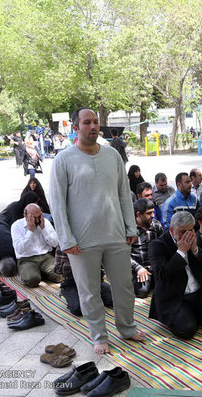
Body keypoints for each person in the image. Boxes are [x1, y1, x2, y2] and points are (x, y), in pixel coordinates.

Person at [49, 107, 144, 355]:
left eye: (96, 122)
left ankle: (127, 328)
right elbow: (57, 203)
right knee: (89, 291)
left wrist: (130, 226)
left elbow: (124, 194)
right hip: (81, 240)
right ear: (75, 127)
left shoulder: (112, 156)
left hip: (116, 235)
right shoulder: (63, 159)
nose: (93, 127)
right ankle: (99, 336)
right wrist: (66, 239)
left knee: (124, 286)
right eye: (87, 122)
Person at [148, 211, 202, 339]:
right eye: (182, 231)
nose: (187, 235)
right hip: (174, 297)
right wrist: (181, 252)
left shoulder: (194, 237)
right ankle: (182, 316)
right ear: (172, 230)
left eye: (190, 230)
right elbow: (162, 276)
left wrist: (195, 250)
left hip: (197, 292)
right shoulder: (158, 245)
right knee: (187, 330)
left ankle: (192, 314)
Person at [10, 203, 63, 288]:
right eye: (34, 217)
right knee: (32, 281)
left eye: (39, 216)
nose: (37, 220)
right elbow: (19, 249)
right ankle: (36, 273)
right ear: (25, 216)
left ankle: (43, 272)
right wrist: (30, 231)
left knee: (61, 276)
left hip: (46, 257)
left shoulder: (45, 222)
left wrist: (44, 229)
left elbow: (55, 244)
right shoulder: (16, 225)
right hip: (27, 259)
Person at [55, 249, 114, 317]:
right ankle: (66, 292)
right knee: (79, 309)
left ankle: (93, 296)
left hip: (94, 280)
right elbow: (58, 269)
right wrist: (78, 264)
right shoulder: (65, 243)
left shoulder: (93, 241)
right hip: (73, 283)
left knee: (115, 300)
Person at [130, 198, 163, 298]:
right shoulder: (129, 230)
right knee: (142, 291)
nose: (152, 215)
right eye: (149, 213)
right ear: (139, 214)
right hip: (138, 269)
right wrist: (138, 268)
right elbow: (123, 255)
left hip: (155, 267)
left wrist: (155, 265)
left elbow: (163, 247)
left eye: (153, 212)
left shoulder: (156, 225)